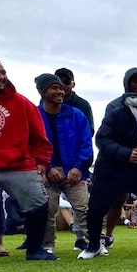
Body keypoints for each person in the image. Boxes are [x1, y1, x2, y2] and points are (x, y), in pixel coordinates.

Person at [78, 85, 137, 259]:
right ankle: (93, 246)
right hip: (112, 171)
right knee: (96, 208)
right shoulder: (118, 114)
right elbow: (102, 140)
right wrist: (127, 154)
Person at [0, 58, 57, 260]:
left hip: (18, 166)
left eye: (3, 72)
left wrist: (41, 164)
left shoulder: (22, 103)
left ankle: (34, 250)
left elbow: (40, 138)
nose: (0, 77)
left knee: (39, 202)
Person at [34, 73, 93, 252]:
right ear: (43, 92)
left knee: (84, 208)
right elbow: (32, 144)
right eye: (55, 87)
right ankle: (47, 246)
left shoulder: (77, 115)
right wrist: (48, 168)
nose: (60, 91)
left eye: (61, 87)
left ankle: (95, 242)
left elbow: (86, 142)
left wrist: (78, 167)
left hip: (74, 170)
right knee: (47, 209)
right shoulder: (35, 115)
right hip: (47, 171)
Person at [101, 67, 137, 248]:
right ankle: (108, 235)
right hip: (120, 161)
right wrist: (125, 153)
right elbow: (107, 136)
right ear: (127, 83)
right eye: (135, 81)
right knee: (116, 200)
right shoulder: (114, 106)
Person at [54, 68, 95, 134]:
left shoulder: (83, 105)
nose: (63, 85)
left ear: (73, 84)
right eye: (59, 82)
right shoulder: (46, 102)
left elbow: (89, 131)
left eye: (67, 82)